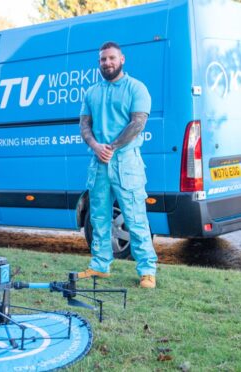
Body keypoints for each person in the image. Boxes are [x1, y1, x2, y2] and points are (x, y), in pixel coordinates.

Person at [79, 41, 158, 289]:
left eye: (112, 58)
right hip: (99, 162)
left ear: (122, 59)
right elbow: (84, 125)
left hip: (126, 162)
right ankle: (100, 265)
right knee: (99, 218)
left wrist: (111, 146)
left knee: (135, 218)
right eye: (103, 59)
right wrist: (95, 146)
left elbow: (138, 123)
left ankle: (147, 270)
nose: (107, 63)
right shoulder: (92, 92)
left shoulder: (136, 88)